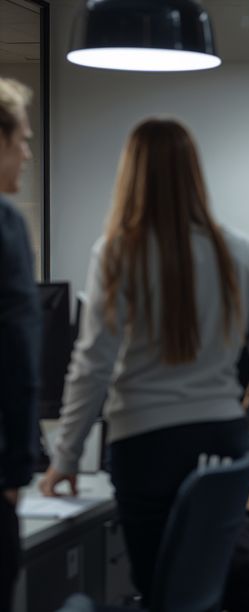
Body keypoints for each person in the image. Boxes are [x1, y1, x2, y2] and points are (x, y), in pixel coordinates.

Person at [39, 118, 249, 599]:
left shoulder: (116, 251)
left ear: (130, 174)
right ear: (195, 173)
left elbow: (92, 364)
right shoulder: (241, 251)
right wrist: (248, 434)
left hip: (144, 446)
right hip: (223, 439)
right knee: (204, 587)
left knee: (161, 590)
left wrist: (65, 457)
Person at [0, 76, 41, 612]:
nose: (28, 154)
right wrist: (16, 471)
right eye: (21, 141)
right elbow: (17, 352)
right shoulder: (6, 223)